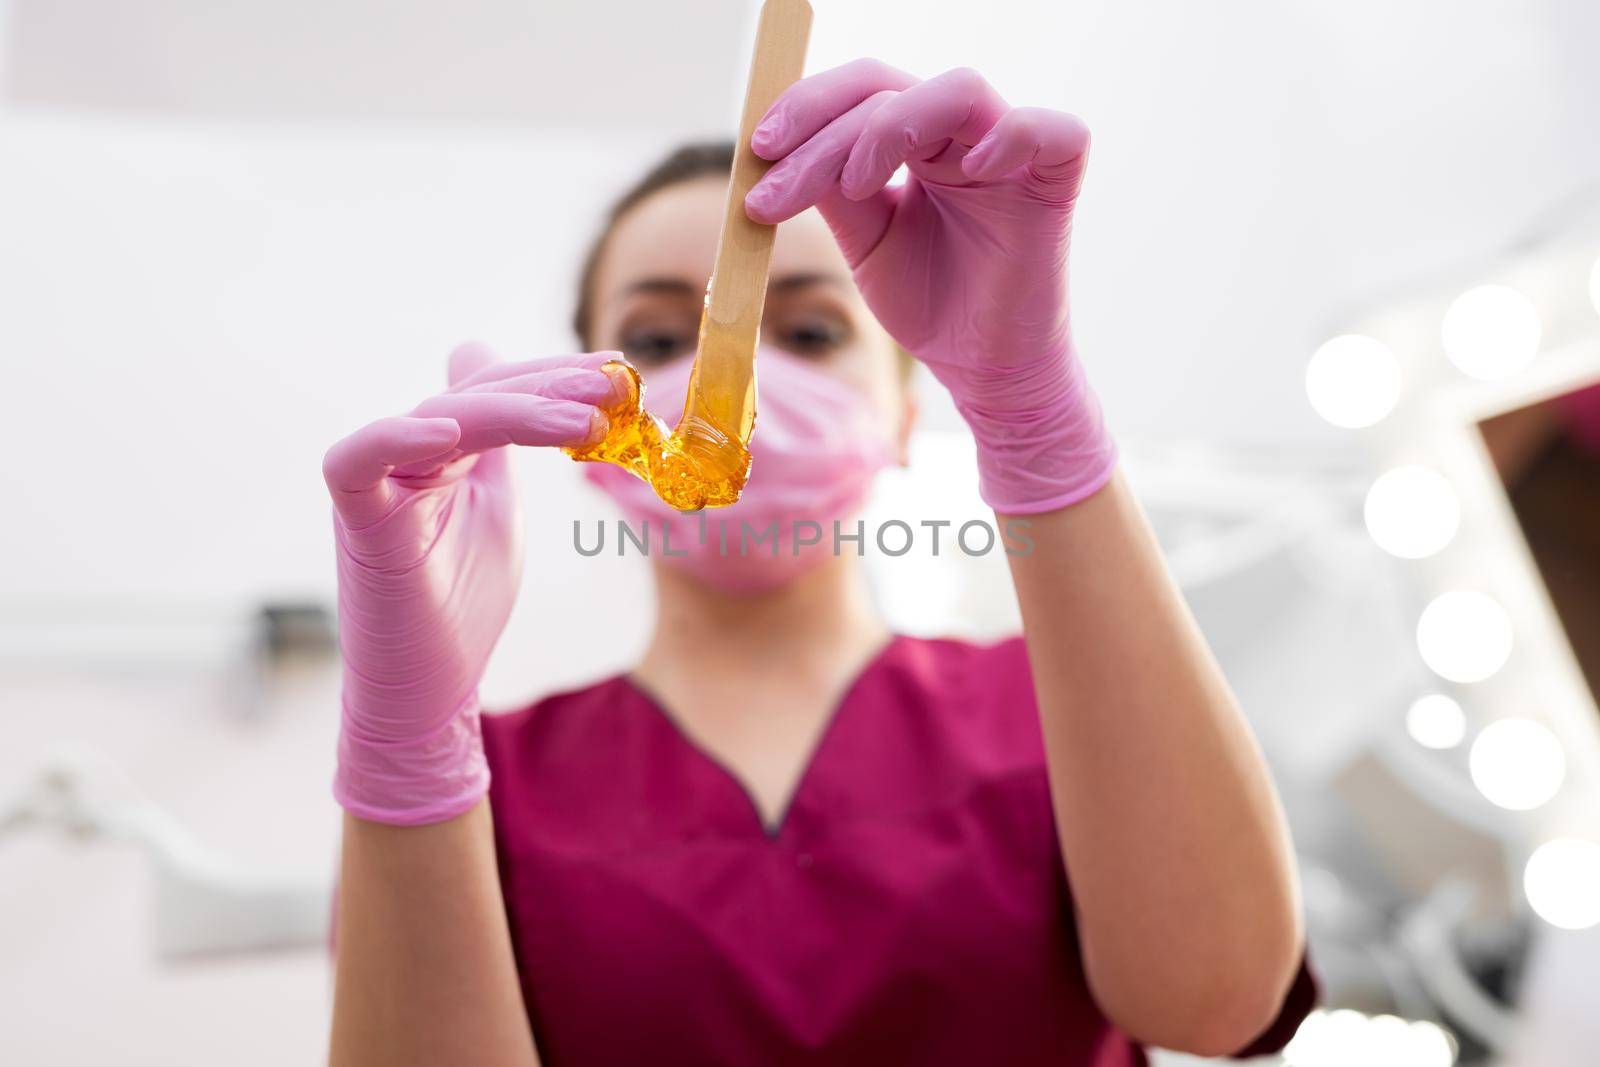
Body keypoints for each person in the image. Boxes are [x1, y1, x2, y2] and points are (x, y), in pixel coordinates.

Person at [322, 60, 1315, 1067]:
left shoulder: (1055, 707)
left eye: (807, 329)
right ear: (575, 426)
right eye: (660, 337)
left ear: (902, 410)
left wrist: (1034, 409)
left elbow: (1215, 1001)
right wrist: (407, 746)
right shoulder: (488, 795)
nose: (730, 378)